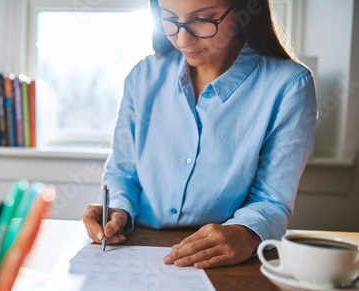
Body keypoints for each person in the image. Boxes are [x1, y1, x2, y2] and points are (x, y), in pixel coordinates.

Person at [82, 0, 317, 269]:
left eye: (203, 19)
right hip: (133, 247)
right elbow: (123, 173)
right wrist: (117, 210)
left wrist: (247, 233)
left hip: (224, 260)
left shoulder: (289, 85)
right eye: (169, 18)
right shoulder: (143, 76)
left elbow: (272, 200)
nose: (182, 39)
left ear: (243, 11)